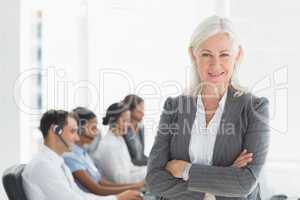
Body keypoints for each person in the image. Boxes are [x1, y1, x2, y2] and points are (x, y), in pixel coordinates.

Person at [146, 16, 270, 200]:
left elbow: (244, 184)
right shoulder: (174, 107)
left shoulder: (254, 108)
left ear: (238, 55)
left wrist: (185, 170)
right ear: (192, 55)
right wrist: (218, 184)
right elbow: (154, 180)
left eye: (224, 54)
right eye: (206, 54)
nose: (215, 64)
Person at [22, 110, 116, 200]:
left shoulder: (58, 163)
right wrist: (116, 198)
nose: (77, 138)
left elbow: (80, 195)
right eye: (72, 131)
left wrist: (116, 198)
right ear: (55, 130)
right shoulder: (43, 166)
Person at [63, 107, 143, 200]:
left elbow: (100, 181)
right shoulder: (71, 156)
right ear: (80, 129)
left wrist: (133, 187)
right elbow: (97, 189)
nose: (97, 132)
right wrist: (133, 187)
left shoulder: (83, 153)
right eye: (93, 128)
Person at [92, 102, 147, 184]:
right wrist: (148, 173)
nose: (128, 125)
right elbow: (119, 180)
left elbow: (130, 167)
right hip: (118, 192)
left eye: (128, 121)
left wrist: (151, 169)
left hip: (127, 188)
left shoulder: (119, 139)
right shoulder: (108, 145)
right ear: (113, 121)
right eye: (124, 121)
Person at [122, 94, 148, 166]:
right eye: (140, 109)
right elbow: (127, 160)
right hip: (129, 169)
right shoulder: (123, 130)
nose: (143, 113)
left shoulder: (140, 128)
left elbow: (141, 156)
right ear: (130, 110)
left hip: (140, 168)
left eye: (143, 109)